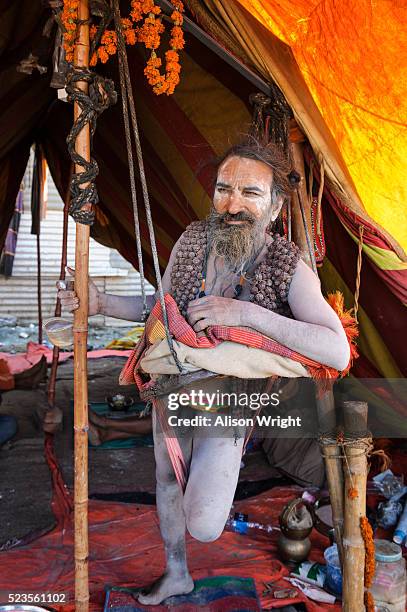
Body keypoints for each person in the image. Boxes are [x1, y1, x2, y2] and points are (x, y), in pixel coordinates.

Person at [58, 139, 350, 604]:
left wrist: (245, 314)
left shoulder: (286, 265)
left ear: (274, 206)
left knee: (205, 522)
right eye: (223, 189)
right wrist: (102, 304)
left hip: (231, 399)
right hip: (172, 383)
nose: (233, 205)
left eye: (250, 193)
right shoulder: (194, 241)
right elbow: (163, 310)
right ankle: (177, 573)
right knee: (167, 479)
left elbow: (337, 351)